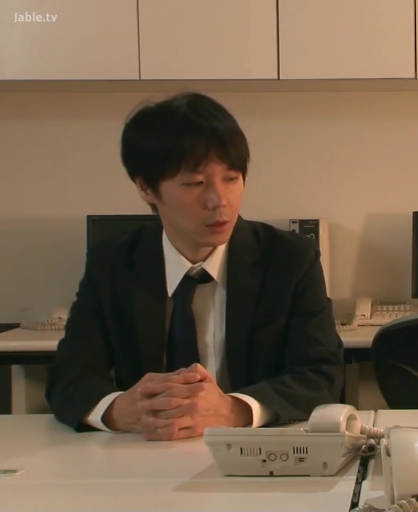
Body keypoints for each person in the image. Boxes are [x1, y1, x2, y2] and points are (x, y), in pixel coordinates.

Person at [45, 92, 345, 440]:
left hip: (255, 452)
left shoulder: (289, 259)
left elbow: (322, 375)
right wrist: (117, 410)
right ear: (146, 188)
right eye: (195, 183)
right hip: (144, 453)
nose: (219, 201)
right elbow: (69, 377)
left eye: (231, 178)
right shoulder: (113, 263)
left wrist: (234, 410)